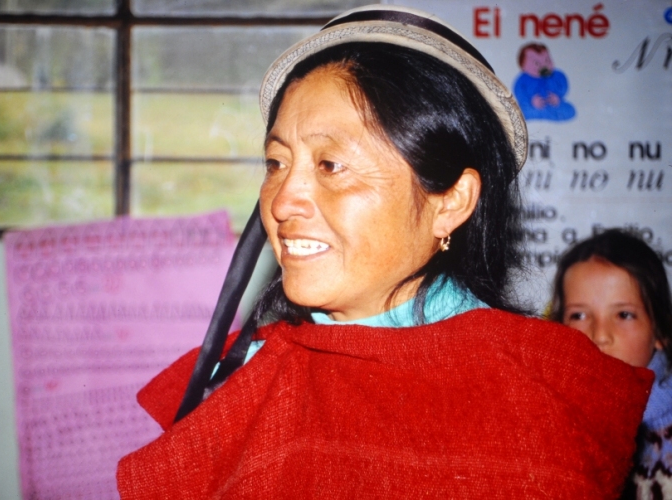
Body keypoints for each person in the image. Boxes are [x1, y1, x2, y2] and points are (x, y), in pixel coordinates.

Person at [117, 6, 652, 498]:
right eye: (277, 163)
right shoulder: (246, 381)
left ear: (450, 202)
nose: (280, 202)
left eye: (330, 165)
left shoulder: (542, 394)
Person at [549, 229, 672, 498]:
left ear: (660, 331)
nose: (600, 335)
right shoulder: (554, 422)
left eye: (624, 315)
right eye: (579, 315)